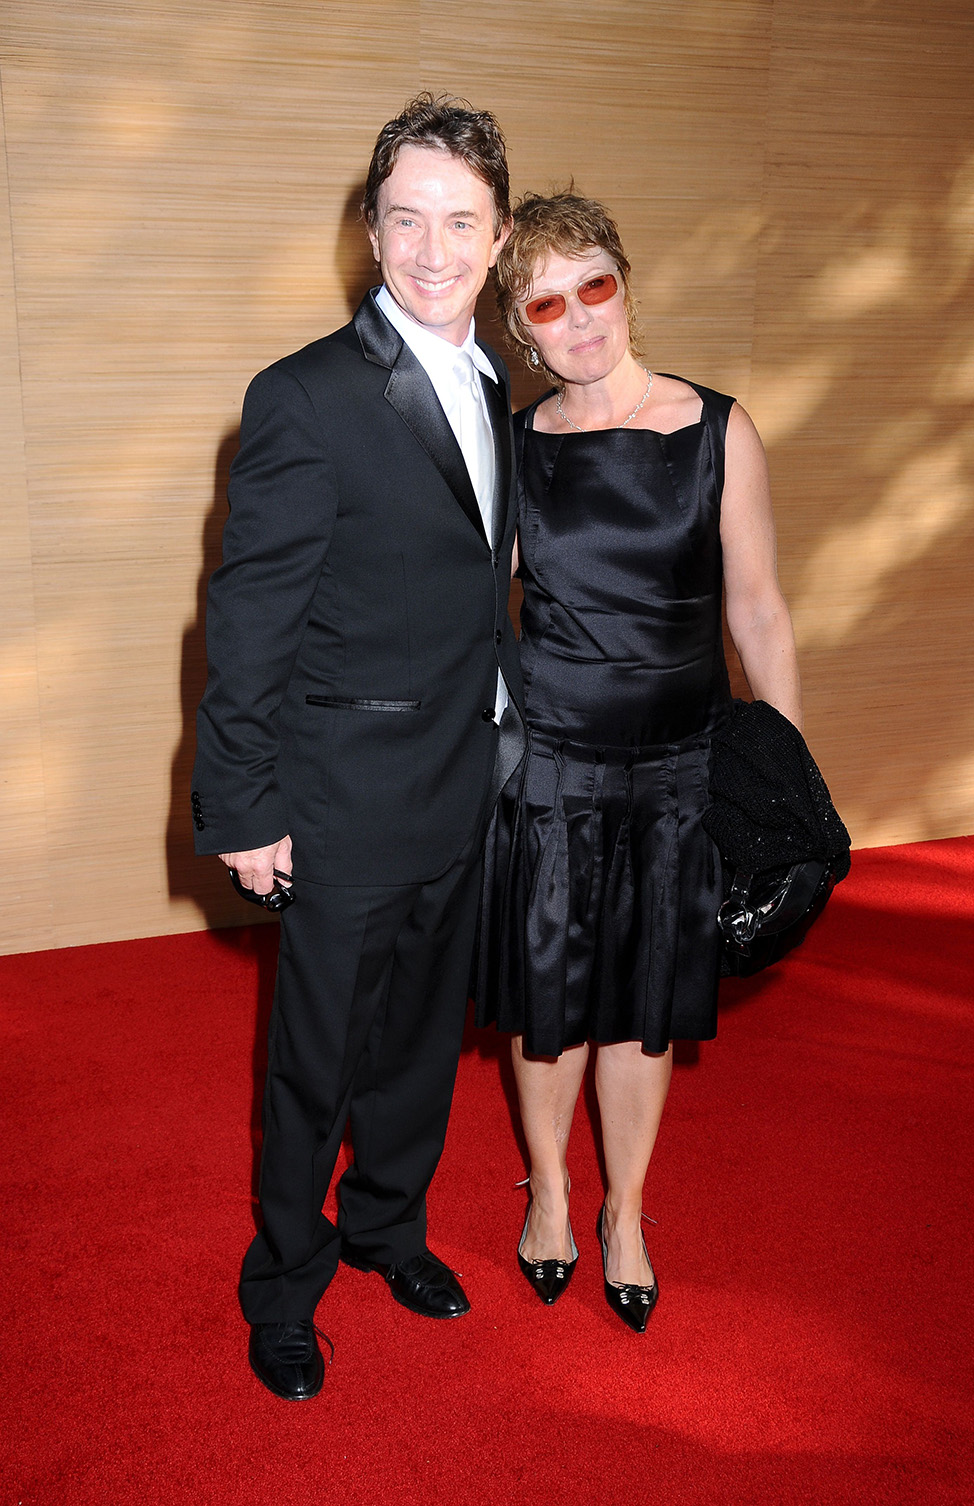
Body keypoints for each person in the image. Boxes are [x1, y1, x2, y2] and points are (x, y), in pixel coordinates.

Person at [192, 94, 525, 1400]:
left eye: (461, 222)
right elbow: (248, 621)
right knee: (314, 1063)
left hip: (458, 787)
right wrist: (243, 806)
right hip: (339, 801)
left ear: (499, 236)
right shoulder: (304, 397)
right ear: (371, 230)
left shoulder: (496, 381)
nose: (433, 250)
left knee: (423, 1046)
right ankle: (284, 1280)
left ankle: (388, 1226)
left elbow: (476, 589)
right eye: (406, 219)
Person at [474, 192, 802, 1332]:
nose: (577, 319)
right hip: (552, 772)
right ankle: (551, 1196)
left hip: (676, 773)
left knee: (641, 1012)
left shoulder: (719, 431)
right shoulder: (517, 451)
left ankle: (625, 1211)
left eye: (593, 286)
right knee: (549, 1004)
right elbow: (473, 611)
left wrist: (784, 780)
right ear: (522, 330)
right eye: (545, 304)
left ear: (626, 283)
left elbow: (758, 612)